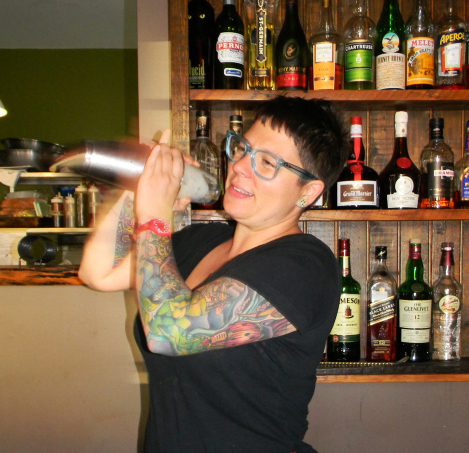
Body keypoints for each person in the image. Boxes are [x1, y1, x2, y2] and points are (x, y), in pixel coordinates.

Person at [79, 96, 349, 453]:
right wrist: (138, 190)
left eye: (267, 162)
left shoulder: (306, 267)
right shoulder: (200, 241)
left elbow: (167, 332)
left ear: (308, 192)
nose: (239, 166)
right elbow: (97, 272)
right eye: (242, 148)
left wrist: (154, 217)